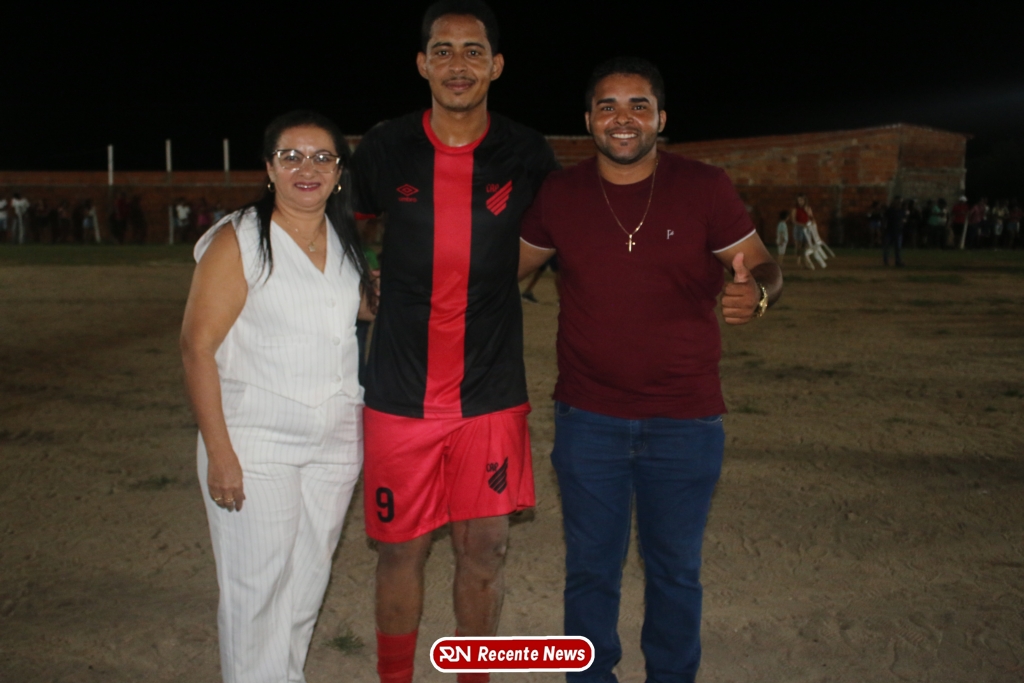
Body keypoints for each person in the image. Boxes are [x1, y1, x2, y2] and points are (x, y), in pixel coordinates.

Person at [519, 57, 783, 683]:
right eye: (607, 106)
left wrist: (759, 294)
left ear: (661, 118)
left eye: (639, 105)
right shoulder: (561, 193)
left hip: (685, 419)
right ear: (588, 120)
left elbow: (762, 264)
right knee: (590, 570)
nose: (623, 118)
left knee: (675, 570)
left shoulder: (704, 187)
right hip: (588, 418)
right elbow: (504, 273)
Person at [347, 3, 558, 682]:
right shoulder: (385, 146)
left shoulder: (527, 153)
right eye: (442, 51)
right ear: (422, 64)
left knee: (485, 550)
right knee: (399, 552)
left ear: (496, 65)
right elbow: (344, 225)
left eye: (473, 51)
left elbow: (567, 233)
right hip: (399, 389)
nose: (457, 64)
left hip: (489, 391)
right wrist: (363, 276)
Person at [180, 110, 374, 683]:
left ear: (338, 172)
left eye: (321, 158)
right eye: (291, 157)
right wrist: (220, 454)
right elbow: (196, 347)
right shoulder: (239, 238)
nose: (306, 169)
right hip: (256, 441)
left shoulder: (341, 237)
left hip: (335, 440)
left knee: (305, 585)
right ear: (269, 168)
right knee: (257, 591)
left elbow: (355, 306)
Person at [790, 194, 816, 268]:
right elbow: (793, 221)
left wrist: (811, 220)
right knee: (798, 245)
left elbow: (812, 218)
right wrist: (802, 224)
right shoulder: (795, 209)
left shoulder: (808, 208)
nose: (800, 202)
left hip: (807, 229)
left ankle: (806, 261)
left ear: (805, 201)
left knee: (807, 245)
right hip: (799, 228)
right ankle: (798, 262)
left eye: (802, 200)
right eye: (799, 200)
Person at [883, 196, 907, 266]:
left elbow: (904, 220)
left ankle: (897, 261)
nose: (898, 203)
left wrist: (902, 224)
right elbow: (885, 219)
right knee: (887, 247)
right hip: (890, 231)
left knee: (897, 248)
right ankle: (886, 261)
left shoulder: (901, 211)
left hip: (898, 231)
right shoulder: (890, 211)